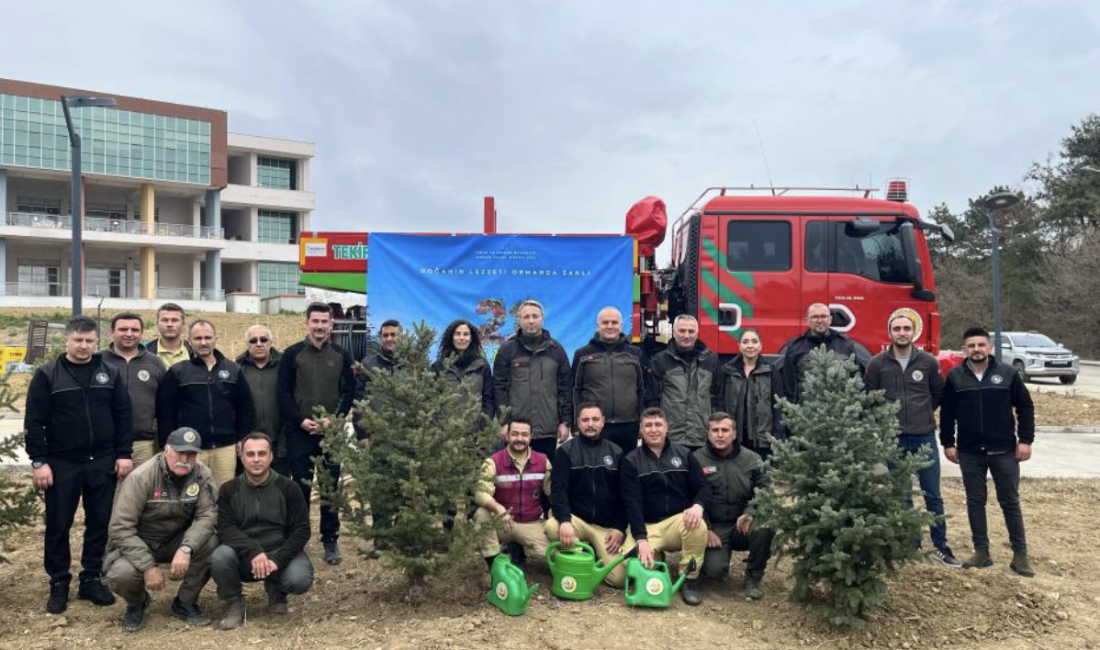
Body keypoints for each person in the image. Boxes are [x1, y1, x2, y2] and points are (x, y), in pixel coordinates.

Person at [24, 316, 133, 614]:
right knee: (59, 524)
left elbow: (123, 417)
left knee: (98, 523)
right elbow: (34, 422)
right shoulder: (47, 374)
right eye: (78, 340)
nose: (83, 346)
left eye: (89, 341)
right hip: (61, 464)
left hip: (102, 461)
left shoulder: (109, 373)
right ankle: (59, 583)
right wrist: (39, 462)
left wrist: (124, 454)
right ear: (67, 341)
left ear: (96, 342)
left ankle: (90, 579)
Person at [865, 314, 961, 567]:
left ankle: (941, 546)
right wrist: (884, 423)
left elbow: (938, 393)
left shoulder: (928, 362)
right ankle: (912, 542)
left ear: (914, 332)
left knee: (932, 493)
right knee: (902, 494)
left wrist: (924, 412)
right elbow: (869, 398)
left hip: (924, 436)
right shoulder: (877, 364)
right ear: (890, 333)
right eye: (897, 328)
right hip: (893, 438)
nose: (902, 332)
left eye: (907, 328)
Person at [940, 326, 1036, 576]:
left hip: (1004, 450)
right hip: (970, 452)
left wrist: (1025, 440)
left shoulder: (1007, 373)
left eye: (981, 345)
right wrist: (948, 443)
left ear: (990, 348)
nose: (976, 350)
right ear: (964, 349)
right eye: (971, 346)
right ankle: (981, 552)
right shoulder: (955, 377)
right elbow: (947, 414)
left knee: (1010, 502)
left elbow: (1025, 407)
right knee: (975, 502)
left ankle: (1020, 555)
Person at [104, 427, 218, 631]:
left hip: (177, 540)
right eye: (179, 452)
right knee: (121, 574)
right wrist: (148, 566)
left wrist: (186, 548)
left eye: (191, 454)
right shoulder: (141, 477)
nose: (184, 459)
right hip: (142, 540)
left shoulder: (202, 474)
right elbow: (121, 528)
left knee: (212, 544)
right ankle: (137, 602)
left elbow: (207, 516)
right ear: (166, 450)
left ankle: (184, 602)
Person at [278, 303, 355, 565]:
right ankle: (298, 540)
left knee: (330, 489)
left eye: (325, 321)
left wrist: (334, 420)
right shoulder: (292, 354)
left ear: (331, 325)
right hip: (300, 433)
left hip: (331, 434)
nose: (320, 326)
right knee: (300, 489)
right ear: (307, 323)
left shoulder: (341, 354)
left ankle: (330, 539)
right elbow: (283, 393)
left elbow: (349, 392)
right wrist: (300, 421)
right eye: (315, 321)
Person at [212, 433, 314, 630]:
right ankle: (234, 602)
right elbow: (226, 529)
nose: (256, 459)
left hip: (279, 552)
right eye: (250, 454)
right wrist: (253, 551)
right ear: (241, 456)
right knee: (219, 556)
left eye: (262, 453)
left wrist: (277, 559)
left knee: (299, 579)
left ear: (271, 456)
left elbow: (302, 530)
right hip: (244, 555)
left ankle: (277, 590)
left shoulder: (289, 488)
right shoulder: (228, 490)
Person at [620, 407, 710, 606]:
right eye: (648, 426)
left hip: (678, 522)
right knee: (630, 564)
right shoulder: (631, 460)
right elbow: (632, 503)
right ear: (641, 430)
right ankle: (654, 553)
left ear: (666, 427)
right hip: (648, 525)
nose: (654, 430)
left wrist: (698, 506)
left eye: (658, 425)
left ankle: (689, 579)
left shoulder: (684, 454)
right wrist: (641, 539)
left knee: (698, 525)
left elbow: (703, 487)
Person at [157, 319, 254, 489]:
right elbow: (165, 411)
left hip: (226, 447)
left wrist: (243, 438)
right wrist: (168, 443)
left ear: (216, 339)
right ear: (189, 341)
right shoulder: (178, 372)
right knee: (190, 494)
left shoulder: (233, 369)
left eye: (208, 337)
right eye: (198, 338)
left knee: (223, 494)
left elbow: (245, 406)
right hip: (190, 447)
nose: (203, 343)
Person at [545, 403, 630, 587]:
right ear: (578, 423)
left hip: (605, 528)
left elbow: (626, 495)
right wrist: (565, 520)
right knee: (553, 527)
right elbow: (558, 490)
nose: (590, 424)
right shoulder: (565, 451)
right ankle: (581, 557)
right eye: (585, 420)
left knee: (619, 579)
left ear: (603, 422)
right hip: (577, 521)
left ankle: (585, 553)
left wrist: (619, 528)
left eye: (595, 419)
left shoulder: (616, 452)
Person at [694, 412, 774, 600]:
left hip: (742, 525)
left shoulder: (752, 459)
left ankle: (753, 576)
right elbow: (689, 498)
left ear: (734, 434)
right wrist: (706, 529)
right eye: (715, 430)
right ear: (708, 433)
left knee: (765, 526)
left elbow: (766, 490)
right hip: (715, 528)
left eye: (725, 430)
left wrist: (750, 512)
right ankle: (719, 564)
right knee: (714, 572)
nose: (720, 435)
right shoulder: (696, 459)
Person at [493, 300, 573, 459]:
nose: (531, 320)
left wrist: (566, 422)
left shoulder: (556, 350)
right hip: (516, 431)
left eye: (535, 316)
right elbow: (499, 388)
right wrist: (503, 423)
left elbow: (565, 388)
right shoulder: (507, 350)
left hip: (548, 429)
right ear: (519, 320)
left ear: (542, 318)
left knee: (546, 476)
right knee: (514, 477)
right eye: (526, 316)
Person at [473, 417, 552, 572]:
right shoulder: (492, 462)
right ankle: (494, 568)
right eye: (515, 434)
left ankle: (519, 547)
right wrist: (499, 509)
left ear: (531, 437)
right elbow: (480, 493)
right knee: (482, 514)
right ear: (507, 436)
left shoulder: (543, 461)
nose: (519, 439)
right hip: (503, 522)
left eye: (524, 435)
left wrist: (555, 509)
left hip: (531, 523)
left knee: (553, 554)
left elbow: (553, 491)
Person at [571, 307, 645, 453]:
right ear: (598, 325)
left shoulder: (635, 353)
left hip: (628, 425)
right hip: (595, 425)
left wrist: (641, 422)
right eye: (605, 322)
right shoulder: (583, 354)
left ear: (621, 325)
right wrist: (575, 423)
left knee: (626, 471)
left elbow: (642, 389)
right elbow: (575, 390)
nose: (610, 326)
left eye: (614, 322)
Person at [101, 312, 167, 468]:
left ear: (141, 333)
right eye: (123, 329)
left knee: (142, 490)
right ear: (112, 332)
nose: (129, 334)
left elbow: (164, 405)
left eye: (134, 330)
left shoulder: (155, 363)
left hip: (143, 444)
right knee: (108, 491)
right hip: (105, 444)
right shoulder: (98, 361)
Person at [646, 315, 719, 451]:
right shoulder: (660, 360)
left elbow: (716, 397)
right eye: (682, 331)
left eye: (691, 331)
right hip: (672, 436)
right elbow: (653, 400)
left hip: (701, 435)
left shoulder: (711, 360)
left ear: (697, 333)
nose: (686, 335)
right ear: (674, 332)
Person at [777, 303, 870, 405]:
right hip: (806, 414)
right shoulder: (795, 348)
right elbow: (789, 388)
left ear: (830, 319)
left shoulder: (846, 345)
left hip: (839, 413)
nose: (820, 320)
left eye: (824, 316)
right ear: (807, 320)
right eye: (815, 317)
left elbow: (856, 380)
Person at [713, 327, 781, 459]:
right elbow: (719, 401)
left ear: (761, 345)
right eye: (745, 342)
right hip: (734, 438)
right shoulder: (727, 371)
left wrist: (777, 436)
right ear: (739, 346)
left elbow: (778, 406)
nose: (750, 346)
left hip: (762, 440)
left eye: (754, 341)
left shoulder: (771, 371)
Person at [238, 324, 286, 474]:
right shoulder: (236, 369)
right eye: (253, 341)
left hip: (280, 441)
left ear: (271, 342)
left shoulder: (285, 366)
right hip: (249, 443)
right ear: (247, 344)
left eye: (263, 339)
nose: (258, 343)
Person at [430, 318, 495, 425]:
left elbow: (488, 400)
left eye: (465, 334)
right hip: (444, 434)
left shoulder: (482, 365)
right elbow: (431, 400)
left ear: (471, 338)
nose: (461, 338)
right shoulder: (439, 366)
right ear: (451, 337)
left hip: (474, 433)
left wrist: (484, 428)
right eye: (457, 334)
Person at [145, 303, 194, 367]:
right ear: (157, 323)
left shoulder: (195, 352)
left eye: (174, 320)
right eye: (165, 320)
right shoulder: (144, 352)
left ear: (183, 324)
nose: (169, 324)